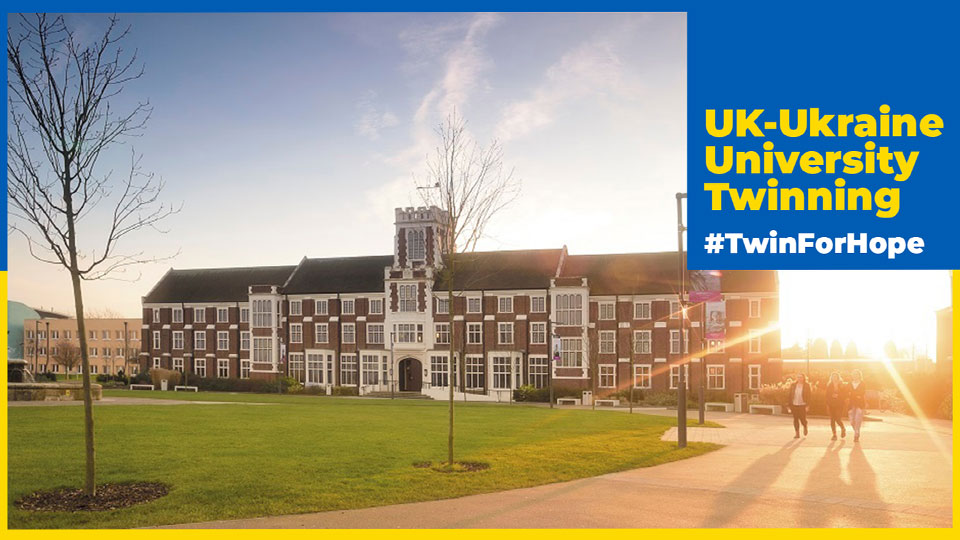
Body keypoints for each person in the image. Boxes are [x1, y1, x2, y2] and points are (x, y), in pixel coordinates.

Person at [824, 371, 847, 440]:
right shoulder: (829, 385)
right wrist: (828, 401)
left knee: (838, 418)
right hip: (831, 404)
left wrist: (838, 396)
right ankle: (834, 434)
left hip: (839, 404)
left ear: (838, 377)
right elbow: (827, 395)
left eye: (836, 377)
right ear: (831, 378)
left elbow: (845, 394)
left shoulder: (841, 384)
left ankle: (843, 428)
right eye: (833, 377)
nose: (834, 378)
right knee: (832, 419)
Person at [788, 373, 811, 438]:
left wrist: (808, 405)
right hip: (794, 404)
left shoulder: (806, 385)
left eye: (801, 377)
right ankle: (797, 433)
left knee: (802, 418)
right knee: (795, 419)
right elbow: (790, 395)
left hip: (802, 404)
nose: (799, 378)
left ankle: (805, 426)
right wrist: (789, 405)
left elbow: (809, 396)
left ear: (804, 378)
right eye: (798, 377)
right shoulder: (793, 385)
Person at [848, 369, 866, 442]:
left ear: (859, 375)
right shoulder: (849, 384)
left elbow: (862, 393)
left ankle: (856, 434)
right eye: (854, 374)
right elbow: (847, 392)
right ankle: (856, 431)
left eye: (856, 374)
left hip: (860, 404)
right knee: (852, 421)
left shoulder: (862, 383)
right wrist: (855, 395)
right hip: (851, 404)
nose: (855, 376)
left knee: (858, 419)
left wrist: (853, 394)